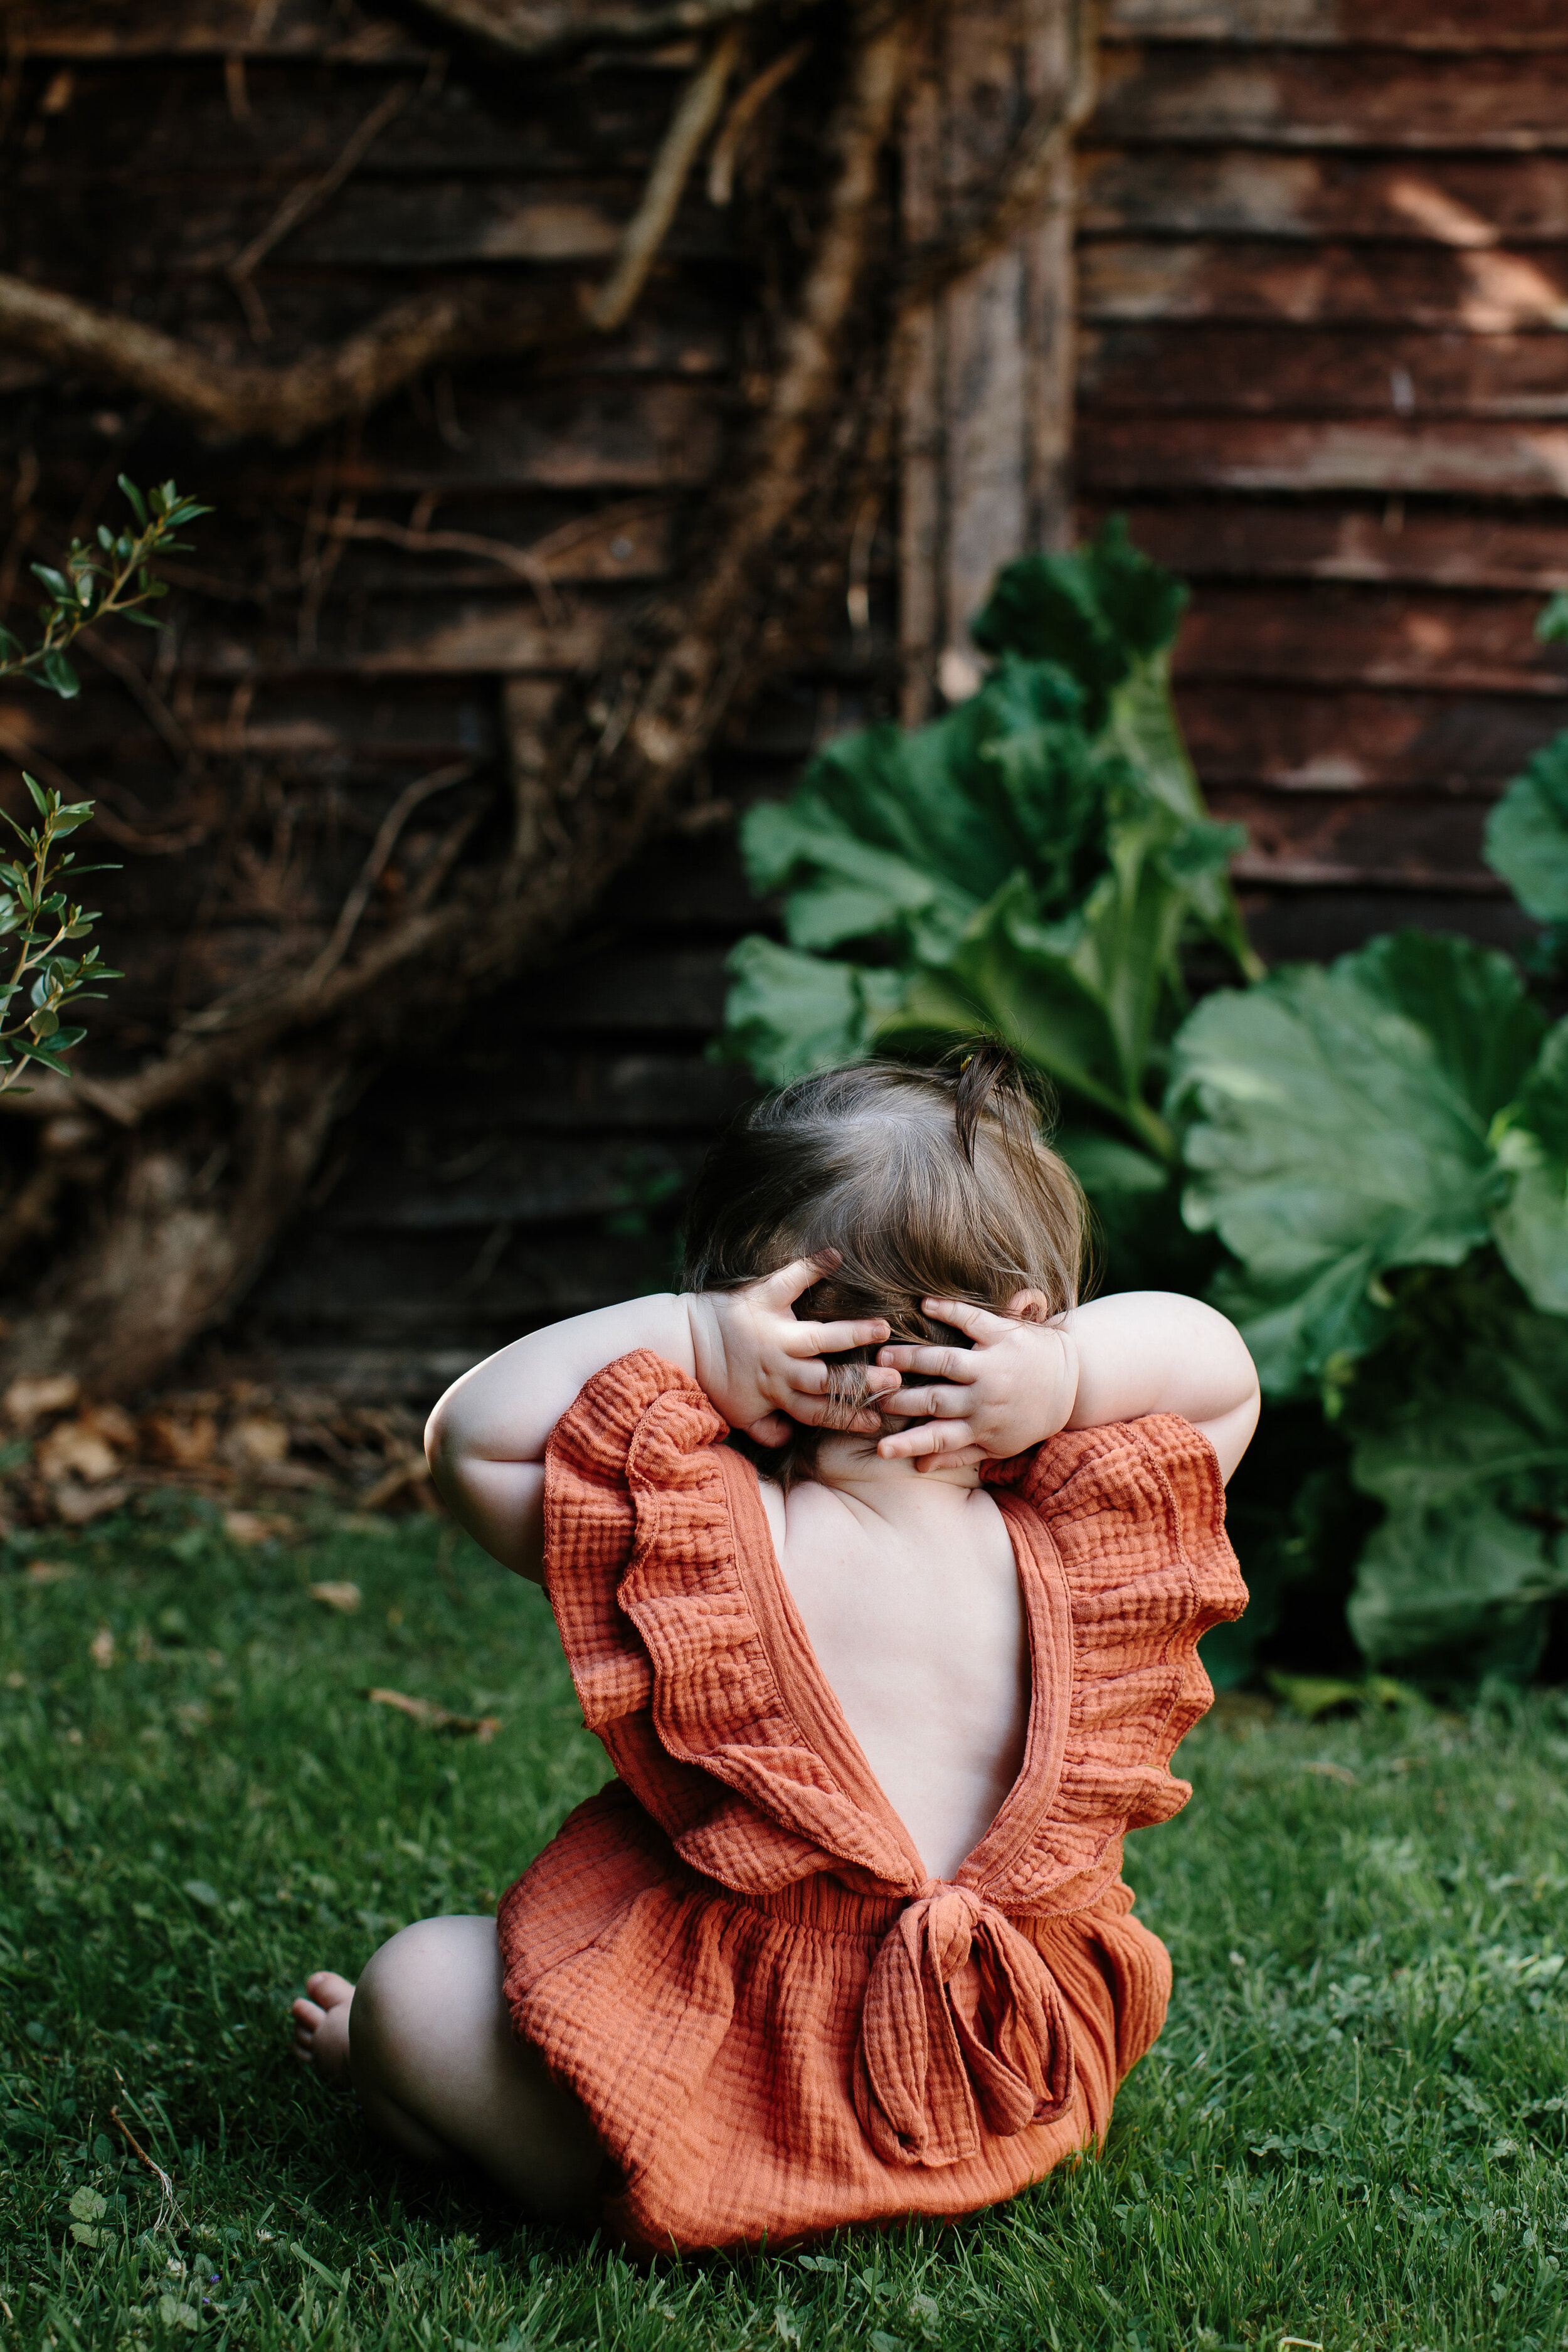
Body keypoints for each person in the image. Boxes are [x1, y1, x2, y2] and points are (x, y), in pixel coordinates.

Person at [292, 1047, 1258, 2252]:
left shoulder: (706, 1541)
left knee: (417, 1992)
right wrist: (1070, 1377)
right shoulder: (1075, 1541)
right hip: (1005, 2082)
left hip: (738, 2086)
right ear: (1026, 1326)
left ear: (766, 1326)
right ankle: (927, 2180)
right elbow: (1222, 1374)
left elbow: (470, 1442)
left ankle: (631, 2162)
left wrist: (686, 1337)